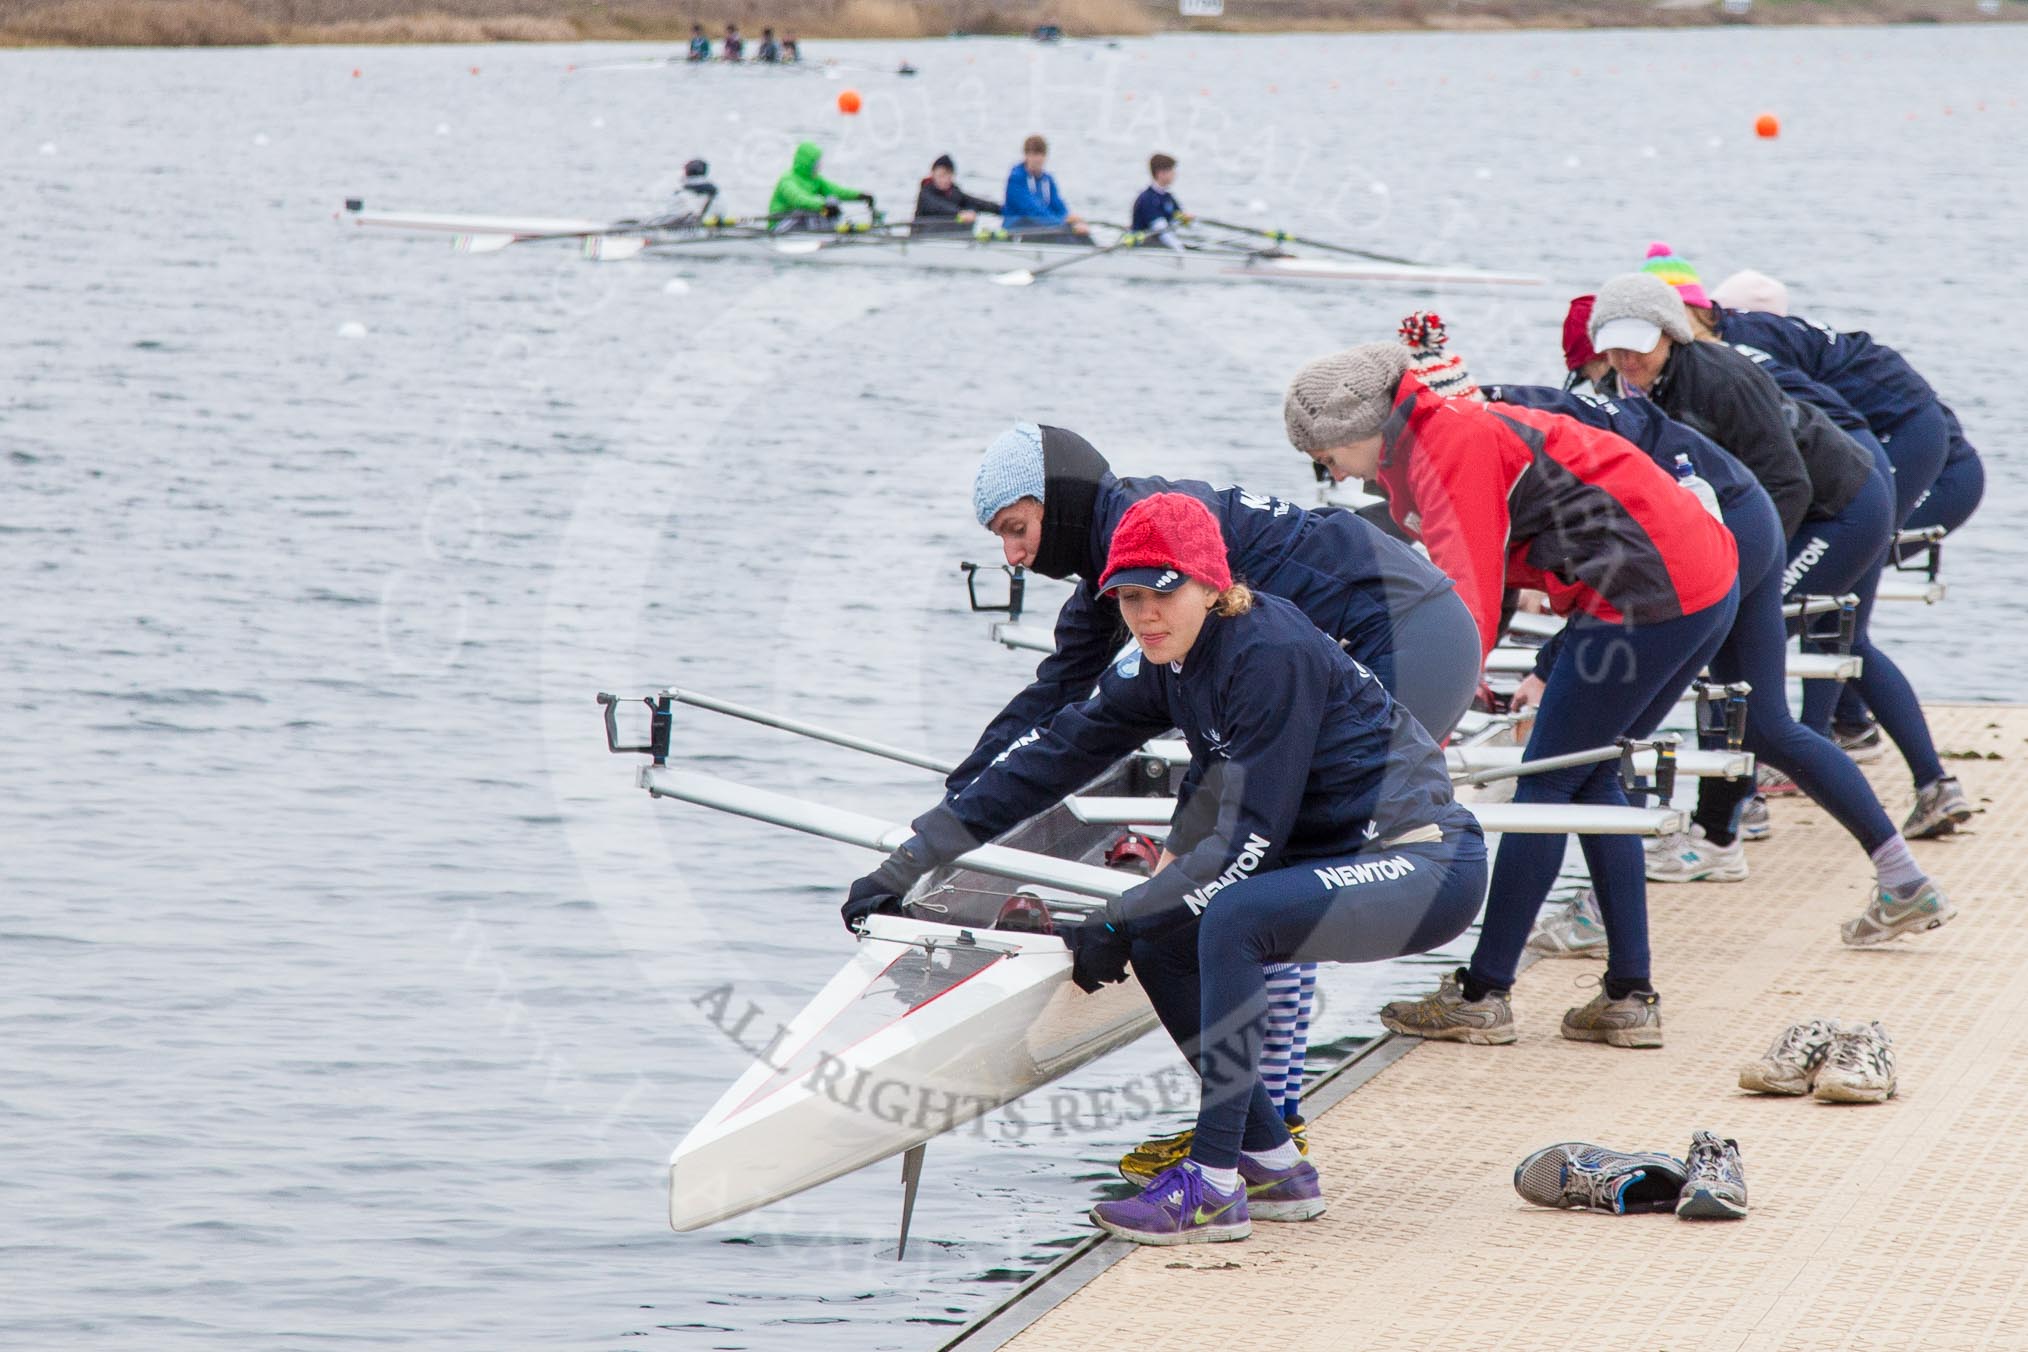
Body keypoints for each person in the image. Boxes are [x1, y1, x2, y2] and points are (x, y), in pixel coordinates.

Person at [843, 492, 1489, 1245]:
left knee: (1228, 917)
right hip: (1352, 866)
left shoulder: (1268, 653)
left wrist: (1123, 911)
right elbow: (1049, 760)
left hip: (1422, 866)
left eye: (1163, 592)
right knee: (1162, 939)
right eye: (1129, 597)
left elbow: (1250, 841)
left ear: (1213, 584)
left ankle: (1213, 1188)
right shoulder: (1168, 659)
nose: (1146, 614)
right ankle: (1273, 1166)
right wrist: (909, 860)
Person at [1284, 343, 1739, 1049]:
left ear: (1351, 436)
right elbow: (1471, 591)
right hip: (1688, 578)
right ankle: (1628, 995)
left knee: (1543, 792)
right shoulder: (1435, 430)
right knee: (1588, 780)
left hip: (1651, 592)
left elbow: (1469, 603)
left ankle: (1484, 992)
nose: (1332, 475)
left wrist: (1418, 729)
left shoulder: (1445, 449)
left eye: (1325, 459)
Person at [1490, 317, 1954, 949]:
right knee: (1762, 723)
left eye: (1627, 351)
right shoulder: (1609, 403)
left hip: (1775, 520)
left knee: (1603, 740)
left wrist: (1550, 663)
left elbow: (1623, 573)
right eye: (1607, 355)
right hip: (1745, 519)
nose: (1619, 364)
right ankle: (1898, 877)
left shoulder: (1691, 385)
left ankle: (1644, 883)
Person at [1587, 273, 1973, 842]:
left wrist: (1736, 580)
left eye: (1637, 344)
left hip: (1842, 510)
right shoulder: (1643, 388)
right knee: (1749, 676)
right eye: (1612, 346)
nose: (1624, 358)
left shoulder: (1717, 380)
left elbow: (1787, 486)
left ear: (1670, 334)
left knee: (1731, 651)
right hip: (1804, 507)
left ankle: (1729, 819)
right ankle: (1731, 821)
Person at [1711, 269, 1986, 749]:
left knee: (1831, 614)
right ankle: (1852, 726)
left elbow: (1827, 439)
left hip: (1918, 456)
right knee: (1836, 615)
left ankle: (1819, 736)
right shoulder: (1762, 340)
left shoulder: (1749, 344)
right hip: (1888, 445)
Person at [767, 142, 873, 226]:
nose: (819, 165)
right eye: (816, 162)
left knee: (832, 200)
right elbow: (800, 200)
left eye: (819, 162)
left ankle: (832, 231)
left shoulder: (816, 180)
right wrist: (823, 206)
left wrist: (860, 196)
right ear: (807, 163)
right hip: (780, 223)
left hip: (802, 222)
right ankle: (826, 232)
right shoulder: (787, 180)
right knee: (810, 210)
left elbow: (837, 191)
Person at [1002, 135, 1088, 238]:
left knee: (1082, 236)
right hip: (1017, 228)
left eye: (1041, 155)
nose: (1037, 159)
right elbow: (1033, 211)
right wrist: (1064, 223)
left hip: (1043, 227)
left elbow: (1059, 207)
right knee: (1066, 232)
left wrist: (1072, 220)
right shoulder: (1016, 179)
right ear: (1026, 156)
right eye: (1033, 155)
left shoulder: (1047, 180)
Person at [912, 154, 1000, 232]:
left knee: (972, 207)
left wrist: (1001, 210)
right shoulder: (925, 194)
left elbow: (976, 202)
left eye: (949, 175)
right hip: (922, 237)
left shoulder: (954, 193)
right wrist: (960, 213)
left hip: (947, 237)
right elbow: (939, 206)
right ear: (933, 174)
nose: (945, 179)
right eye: (942, 175)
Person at [1131, 153, 1192, 250]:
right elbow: (1160, 229)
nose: (1174, 174)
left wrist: (1186, 220)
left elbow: (1178, 220)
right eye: (1171, 170)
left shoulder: (1168, 197)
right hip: (1143, 246)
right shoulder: (1147, 198)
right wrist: (1180, 249)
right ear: (1161, 173)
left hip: (1160, 242)